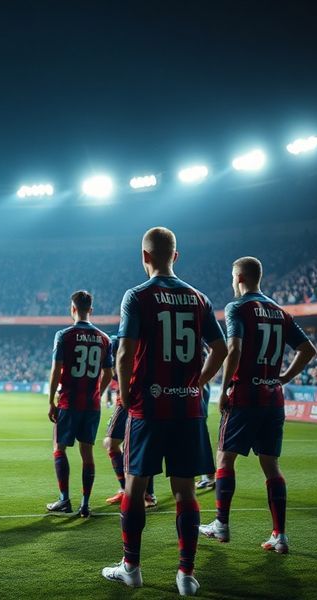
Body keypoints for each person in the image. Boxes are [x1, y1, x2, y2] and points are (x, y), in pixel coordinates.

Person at [101, 227, 227, 597]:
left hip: (148, 407)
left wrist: (125, 396)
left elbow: (124, 354)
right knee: (186, 493)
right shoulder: (199, 298)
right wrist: (197, 383)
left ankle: (131, 568)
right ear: (176, 255)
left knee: (135, 488)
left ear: (144, 257)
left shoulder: (137, 296)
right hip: (187, 408)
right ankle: (186, 575)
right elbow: (219, 349)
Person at [199, 257, 316, 555]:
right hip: (273, 397)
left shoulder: (237, 307)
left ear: (238, 277)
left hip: (246, 394)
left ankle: (221, 524)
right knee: (271, 465)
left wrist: (223, 389)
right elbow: (307, 349)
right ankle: (280, 535)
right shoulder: (280, 311)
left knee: (225, 460)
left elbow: (234, 348)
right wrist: (285, 376)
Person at [47, 290, 112, 518]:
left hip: (69, 401)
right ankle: (85, 505)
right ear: (90, 310)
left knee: (59, 448)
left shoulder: (64, 335)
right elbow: (108, 372)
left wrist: (51, 401)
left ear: (72, 309)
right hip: (91, 405)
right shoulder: (104, 338)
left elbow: (56, 370)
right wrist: (99, 391)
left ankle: (65, 499)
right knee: (87, 453)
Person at [103, 337, 158, 509]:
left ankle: (146, 493)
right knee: (112, 443)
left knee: (139, 447)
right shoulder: (119, 345)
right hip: (126, 400)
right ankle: (126, 489)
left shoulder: (139, 347)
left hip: (138, 400)